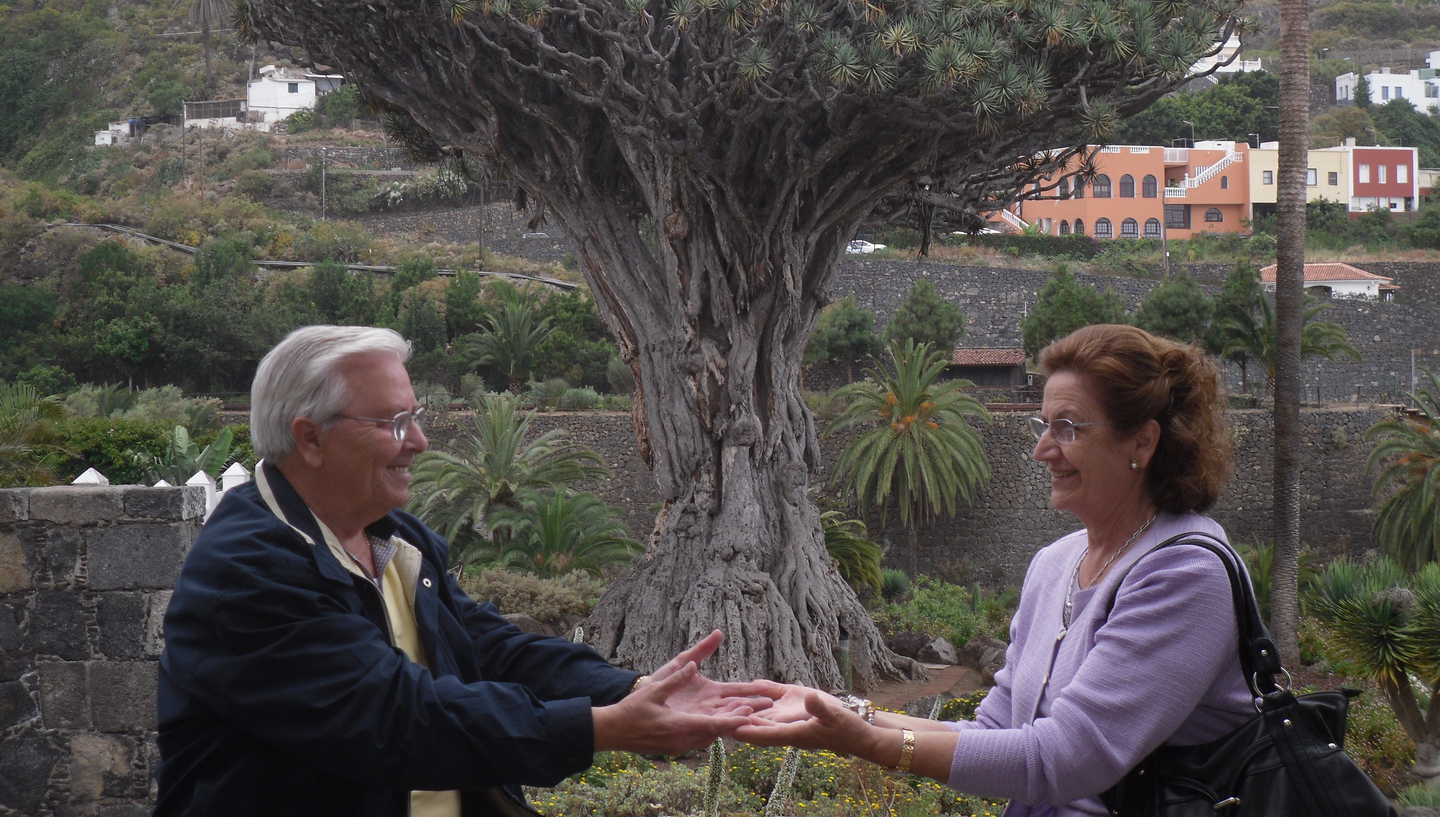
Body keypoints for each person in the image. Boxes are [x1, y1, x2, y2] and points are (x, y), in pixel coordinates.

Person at [156, 325, 779, 817]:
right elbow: (396, 719)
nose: (420, 441)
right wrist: (598, 730)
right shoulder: (248, 569)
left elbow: (486, 647)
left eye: (415, 415)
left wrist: (629, 689)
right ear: (310, 438)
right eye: (393, 422)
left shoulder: (395, 541)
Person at [737, 324, 1254, 817]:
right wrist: (847, 710)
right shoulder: (1056, 564)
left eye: (1067, 428)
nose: (1041, 450)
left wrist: (872, 743)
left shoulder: (1185, 573)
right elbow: (999, 727)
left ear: (1142, 442)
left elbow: (1064, 759)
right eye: (1043, 425)